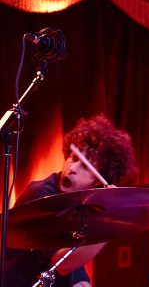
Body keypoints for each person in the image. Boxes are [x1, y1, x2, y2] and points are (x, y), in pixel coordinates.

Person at [5, 113, 138, 287]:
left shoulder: (81, 205)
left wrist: (81, 281)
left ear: (97, 180)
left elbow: (71, 256)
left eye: (85, 167)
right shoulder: (42, 195)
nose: (73, 168)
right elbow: (63, 263)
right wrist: (111, 224)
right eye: (73, 159)